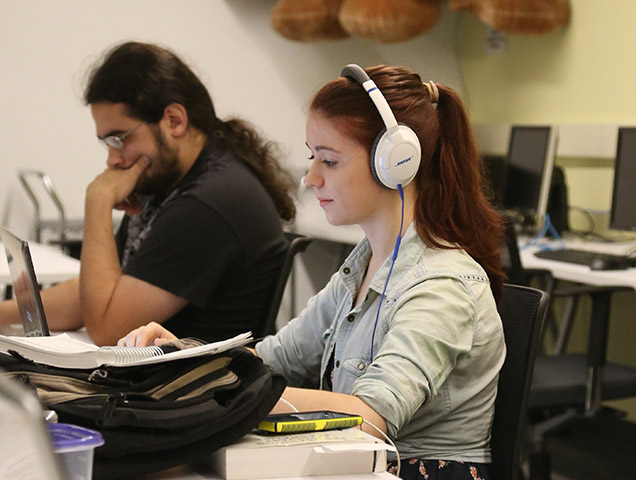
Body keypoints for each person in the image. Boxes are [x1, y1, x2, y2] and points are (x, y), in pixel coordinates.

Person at [119, 64, 506, 480]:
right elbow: (273, 360)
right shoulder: (360, 268)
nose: (310, 177)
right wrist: (188, 360)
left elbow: (371, 416)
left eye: (329, 161)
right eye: (312, 156)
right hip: (359, 465)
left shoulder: (442, 286)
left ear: (396, 164)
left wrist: (235, 392)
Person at [0, 41, 296, 346]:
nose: (112, 160)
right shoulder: (172, 182)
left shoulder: (207, 203)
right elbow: (98, 292)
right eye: (107, 144)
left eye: (120, 139)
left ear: (174, 120)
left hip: (191, 389)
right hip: (156, 379)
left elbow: (106, 329)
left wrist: (98, 203)